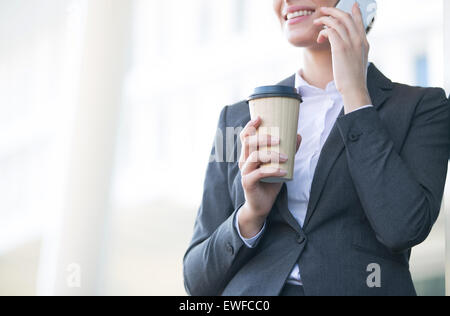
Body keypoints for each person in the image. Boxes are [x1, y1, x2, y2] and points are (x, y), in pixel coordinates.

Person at [183, 0, 450, 296]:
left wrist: (356, 96)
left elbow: (403, 228)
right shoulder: (235, 119)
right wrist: (251, 214)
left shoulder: (424, 107)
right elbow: (196, 280)